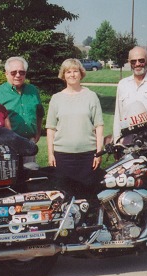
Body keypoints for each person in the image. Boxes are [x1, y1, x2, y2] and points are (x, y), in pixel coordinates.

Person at [46, 58, 104, 197]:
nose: (72, 75)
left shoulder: (91, 97)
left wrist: (99, 152)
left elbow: (99, 126)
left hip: (88, 156)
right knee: (65, 197)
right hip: (62, 156)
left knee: (88, 196)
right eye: (68, 72)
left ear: (81, 73)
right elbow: (50, 128)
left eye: (75, 71)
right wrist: (50, 153)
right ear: (63, 75)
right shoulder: (56, 98)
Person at [0, 56, 44, 163]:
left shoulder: (33, 90)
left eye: (22, 72)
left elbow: (39, 113)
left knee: (29, 174)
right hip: (7, 144)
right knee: (10, 175)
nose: (18, 75)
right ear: (6, 73)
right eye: (13, 72)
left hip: (28, 142)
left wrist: (38, 133)